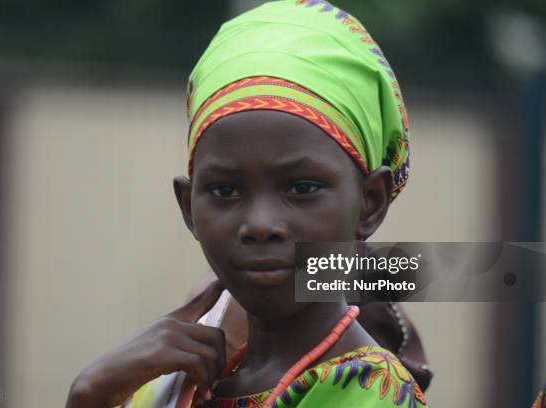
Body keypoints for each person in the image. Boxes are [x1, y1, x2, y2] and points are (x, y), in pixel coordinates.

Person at [66, 1, 428, 406]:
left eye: (302, 188)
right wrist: (90, 396)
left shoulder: (366, 391)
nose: (260, 224)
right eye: (225, 191)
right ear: (188, 208)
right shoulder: (172, 383)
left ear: (370, 203)